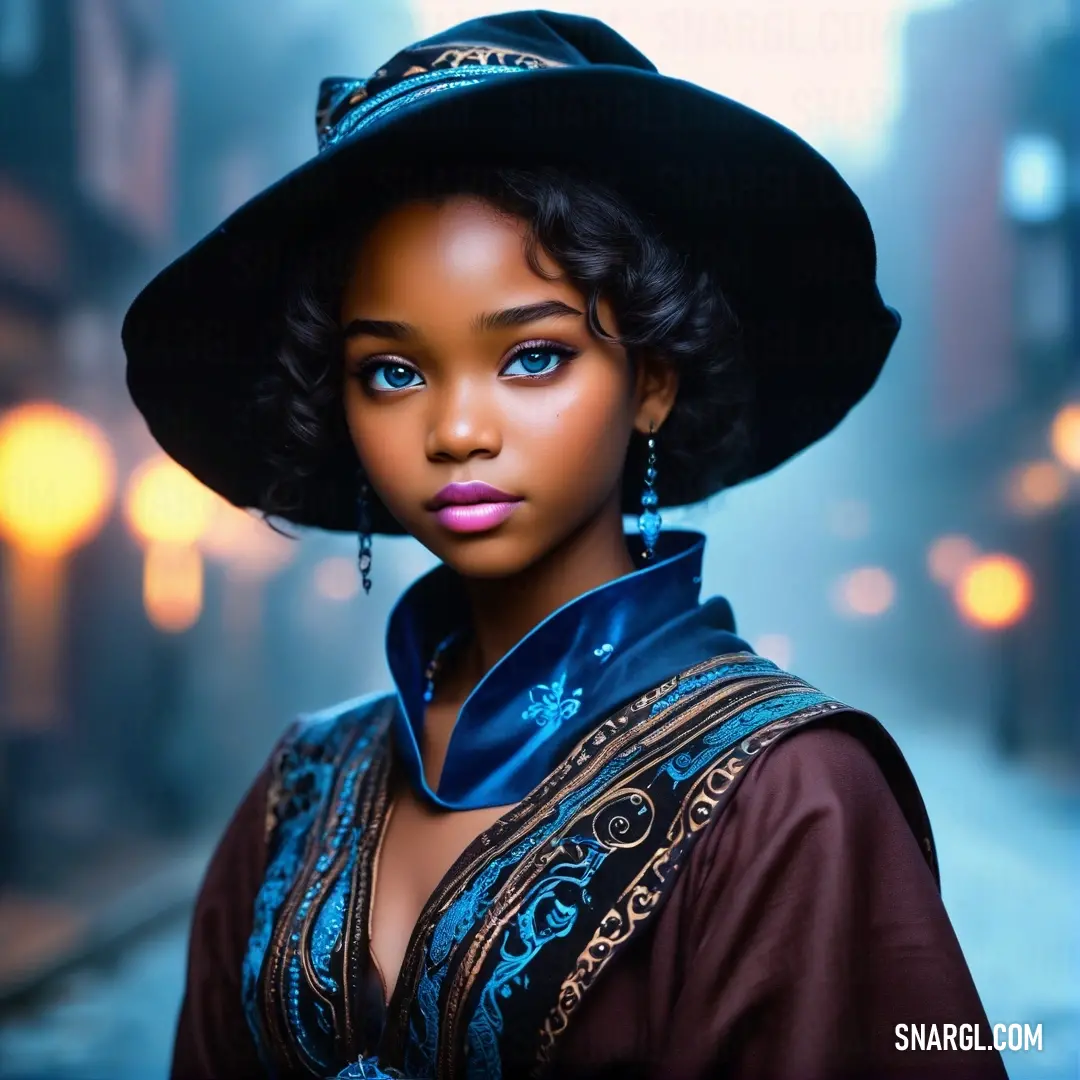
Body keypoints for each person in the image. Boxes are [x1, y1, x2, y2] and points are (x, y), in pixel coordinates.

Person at [123, 11, 1007, 1080]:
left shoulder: (791, 793)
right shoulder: (300, 785)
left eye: (533, 358)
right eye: (392, 372)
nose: (456, 431)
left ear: (654, 379)